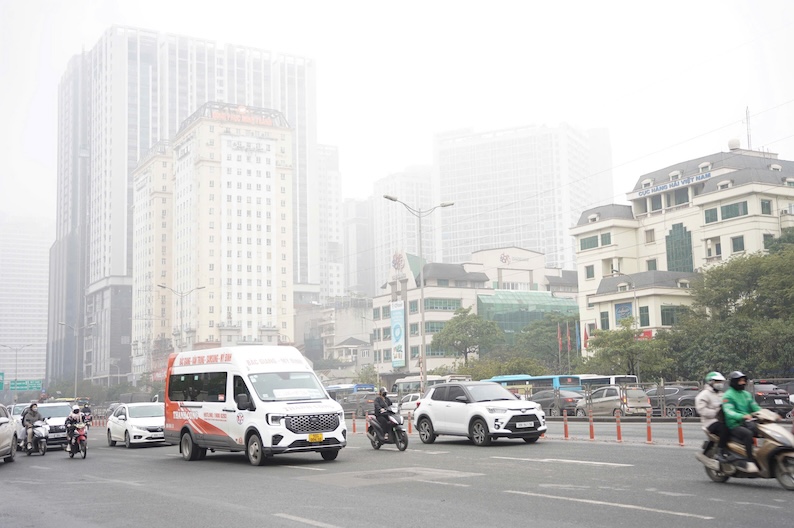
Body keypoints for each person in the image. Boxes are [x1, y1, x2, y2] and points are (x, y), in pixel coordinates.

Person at [722, 371, 763, 472]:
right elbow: (728, 411)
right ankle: (749, 461)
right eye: (740, 381)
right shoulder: (728, 395)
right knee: (748, 434)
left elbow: (755, 407)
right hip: (734, 424)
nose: (743, 383)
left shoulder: (747, 394)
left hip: (747, 422)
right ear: (734, 382)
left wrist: (767, 414)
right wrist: (742, 416)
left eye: (744, 380)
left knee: (764, 430)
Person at [695, 371, 730, 459]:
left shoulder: (721, 394)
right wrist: (716, 412)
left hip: (723, 419)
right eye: (717, 382)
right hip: (710, 422)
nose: (720, 384)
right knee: (724, 429)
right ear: (711, 382)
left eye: (720, 382)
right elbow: (701, 410)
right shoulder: (704, 395)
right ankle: (720, 451)